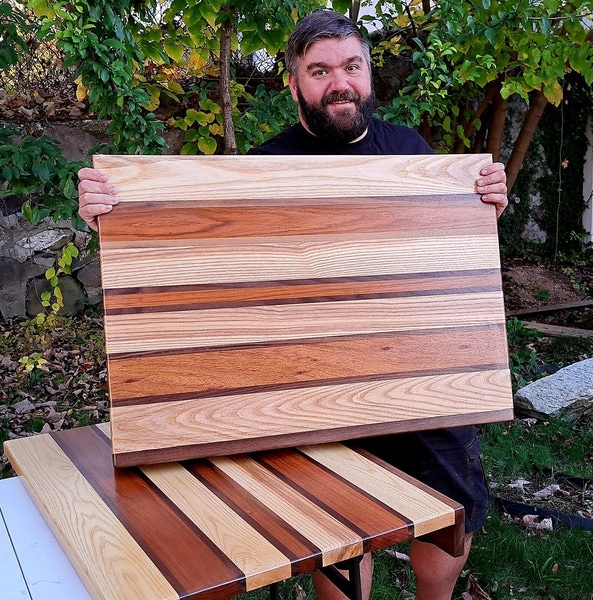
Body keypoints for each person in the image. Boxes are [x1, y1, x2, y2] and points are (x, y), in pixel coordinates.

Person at [78, 10, 508, 600]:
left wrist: (483, 204)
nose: (340, 82)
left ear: (368, 74)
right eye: (320, 70)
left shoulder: (414, 153)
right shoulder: (260, 169)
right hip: (307, 392)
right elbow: (199, 259)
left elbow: (447, 252)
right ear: (294, 83)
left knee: (447, 528)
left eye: (352, 66)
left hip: (421, 377)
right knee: (336, 540)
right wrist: (114, 209)